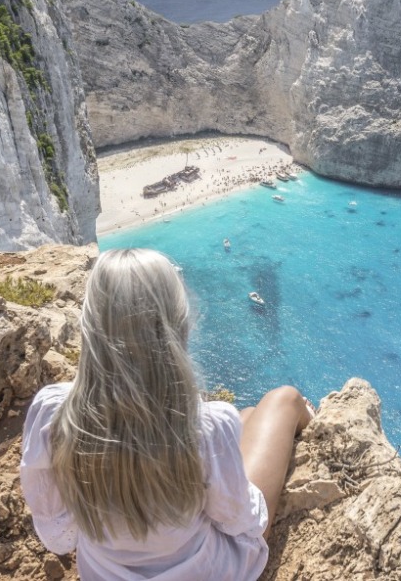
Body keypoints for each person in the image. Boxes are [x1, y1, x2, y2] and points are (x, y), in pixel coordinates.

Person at [20, 248, 313, 580]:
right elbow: (244, 521)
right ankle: (315, 425)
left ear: (90, 325)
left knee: (244, 417)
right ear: (176, 325)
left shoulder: (53, 415)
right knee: (284, 399)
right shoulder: (202, 425)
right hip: (208, 573)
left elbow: (58, 538)